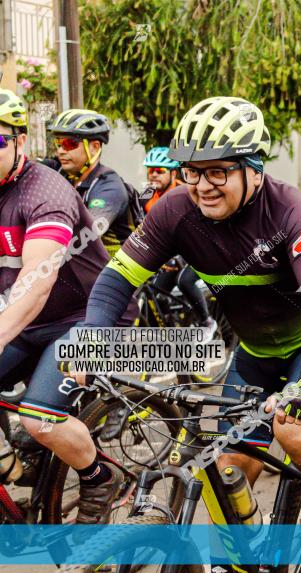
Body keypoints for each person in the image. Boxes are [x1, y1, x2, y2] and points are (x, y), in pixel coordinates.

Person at [71, 98, 301, 573]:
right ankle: (240, 559)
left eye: (218, 172)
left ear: (253, 168)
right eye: (192, 171)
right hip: (255, 350)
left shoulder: (293, 211)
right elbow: (117, 277)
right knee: (228, 466)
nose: (203, 185)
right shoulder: (174, 210)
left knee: (294, 430)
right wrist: (91, 340)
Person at [0, 89, 134, 524]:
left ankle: (98, 478)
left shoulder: (46, 192)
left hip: (87, 317)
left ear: (20, 141)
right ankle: (15, 465)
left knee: (39, 418)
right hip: (32, 319)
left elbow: (36, 282)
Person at [139, 146, 215, 333]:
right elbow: (140, 225)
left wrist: (182, 254)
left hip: (201, 249)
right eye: (150, 171)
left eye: (159, 171)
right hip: (171, 253)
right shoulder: (146, 195)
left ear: (173, 174)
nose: (153, 176)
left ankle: (207, 322)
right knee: (153, 291)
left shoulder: (187, 194)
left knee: (184, 281)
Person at [44, 109, 136, 257]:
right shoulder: (60, 172)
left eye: (69, 143)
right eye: (58, 143)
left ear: (94, 147)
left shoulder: (109, 187)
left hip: (114, 272)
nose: (60, 150)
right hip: (81, 269)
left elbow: (87, 235)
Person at [140, 146, 182, 214]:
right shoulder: (147, 191)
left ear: (173, 174)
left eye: (159, 170)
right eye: (151, 170)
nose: (154, 174)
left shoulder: (184, 195)